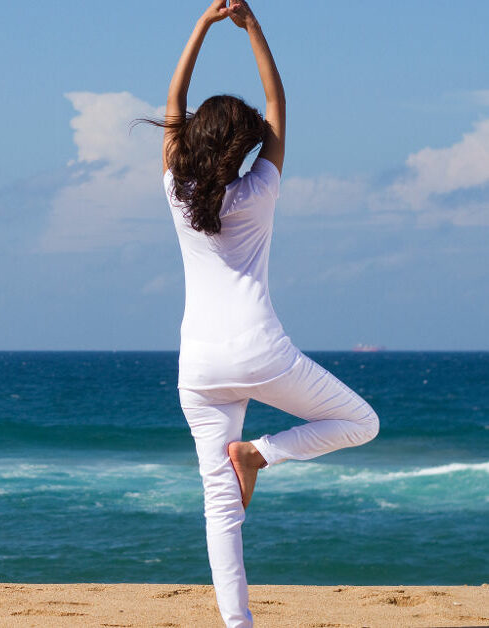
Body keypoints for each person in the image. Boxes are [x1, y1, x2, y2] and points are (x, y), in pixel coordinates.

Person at [141, 2, 380, 626]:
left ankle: (237, 624)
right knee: (360, 421)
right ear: (244, 147)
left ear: (193, 137)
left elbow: (172, 108)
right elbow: (278, 106)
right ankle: (262, 454)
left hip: (199, 366)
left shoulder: (175, 191)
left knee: (219, 507)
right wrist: (251, 27)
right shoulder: (261, 190)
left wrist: (199, 26)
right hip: (260, 352)